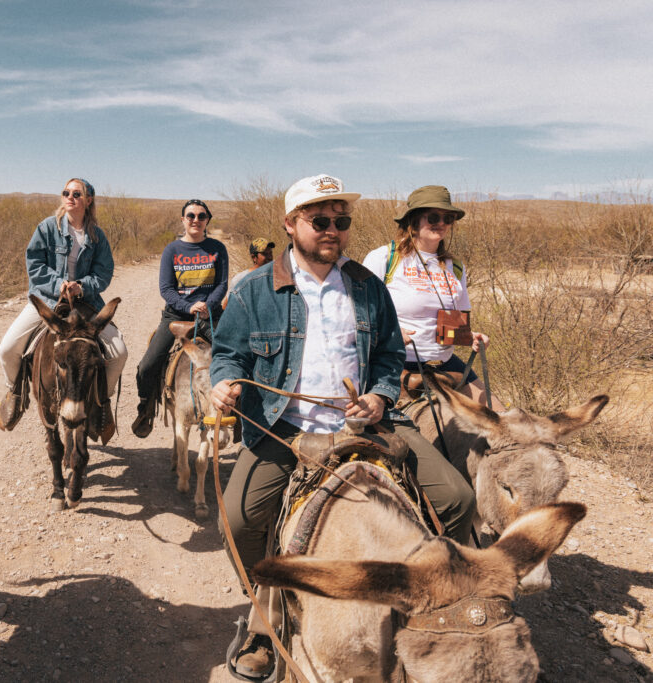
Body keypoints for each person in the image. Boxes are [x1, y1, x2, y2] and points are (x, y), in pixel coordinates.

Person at [209, 174, 476, 680]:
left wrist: (379, 396)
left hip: (368, 425)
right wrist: (224, 384)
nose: (333, 230)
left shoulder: (367, 285)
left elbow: (390, 356)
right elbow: (227, 354)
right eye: (320, 221)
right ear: (290, 225)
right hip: (285, 426)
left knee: (458, 500)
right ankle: (264, 619)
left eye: (342, 221)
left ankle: (438, 608)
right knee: (239, 521)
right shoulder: (253, 290)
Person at [0, 178, 128, 442]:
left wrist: (81, 286)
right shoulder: (47, 228)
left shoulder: (97, 236)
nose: (70, 197)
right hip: (50, 300)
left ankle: (102, 403)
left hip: (85, 303)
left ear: (88, 200)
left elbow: (104, 273)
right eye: (66, 192)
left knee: (119, 353)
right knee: (8, 348)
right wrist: (59, 285)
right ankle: (15, 392)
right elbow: (34, 265)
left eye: (76, 194)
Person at [362, 185, 505, 410]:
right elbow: (359, 313)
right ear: (414, 220)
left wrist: (469, 337)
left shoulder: (454, 266)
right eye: (434, 217)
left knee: (498, 416)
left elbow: (451, 324)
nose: (442, 223)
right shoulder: (385, 258)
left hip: (444, 362)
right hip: (397, 363)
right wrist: (390, 333)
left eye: (448, 218)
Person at [131, 199, 229, 438]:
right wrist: (188, 305)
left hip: (210, 314)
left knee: (237, 360)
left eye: (201, 216)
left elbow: (222, 283)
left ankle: (238, 419)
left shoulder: (217, 248)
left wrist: (208, 305)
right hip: (176, 316)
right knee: (147, 366)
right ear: (183, 219)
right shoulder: (172, 250)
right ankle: (145, 410)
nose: (196, 220)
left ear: (207, 220)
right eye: (191, 216)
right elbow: (166, 289)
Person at [222, 237, 274, 308]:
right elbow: (226, 307)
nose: (270, 257)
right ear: (254, 257)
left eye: (270, 253)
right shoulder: (241, 279)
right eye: (265, 254)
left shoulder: (275, 277)